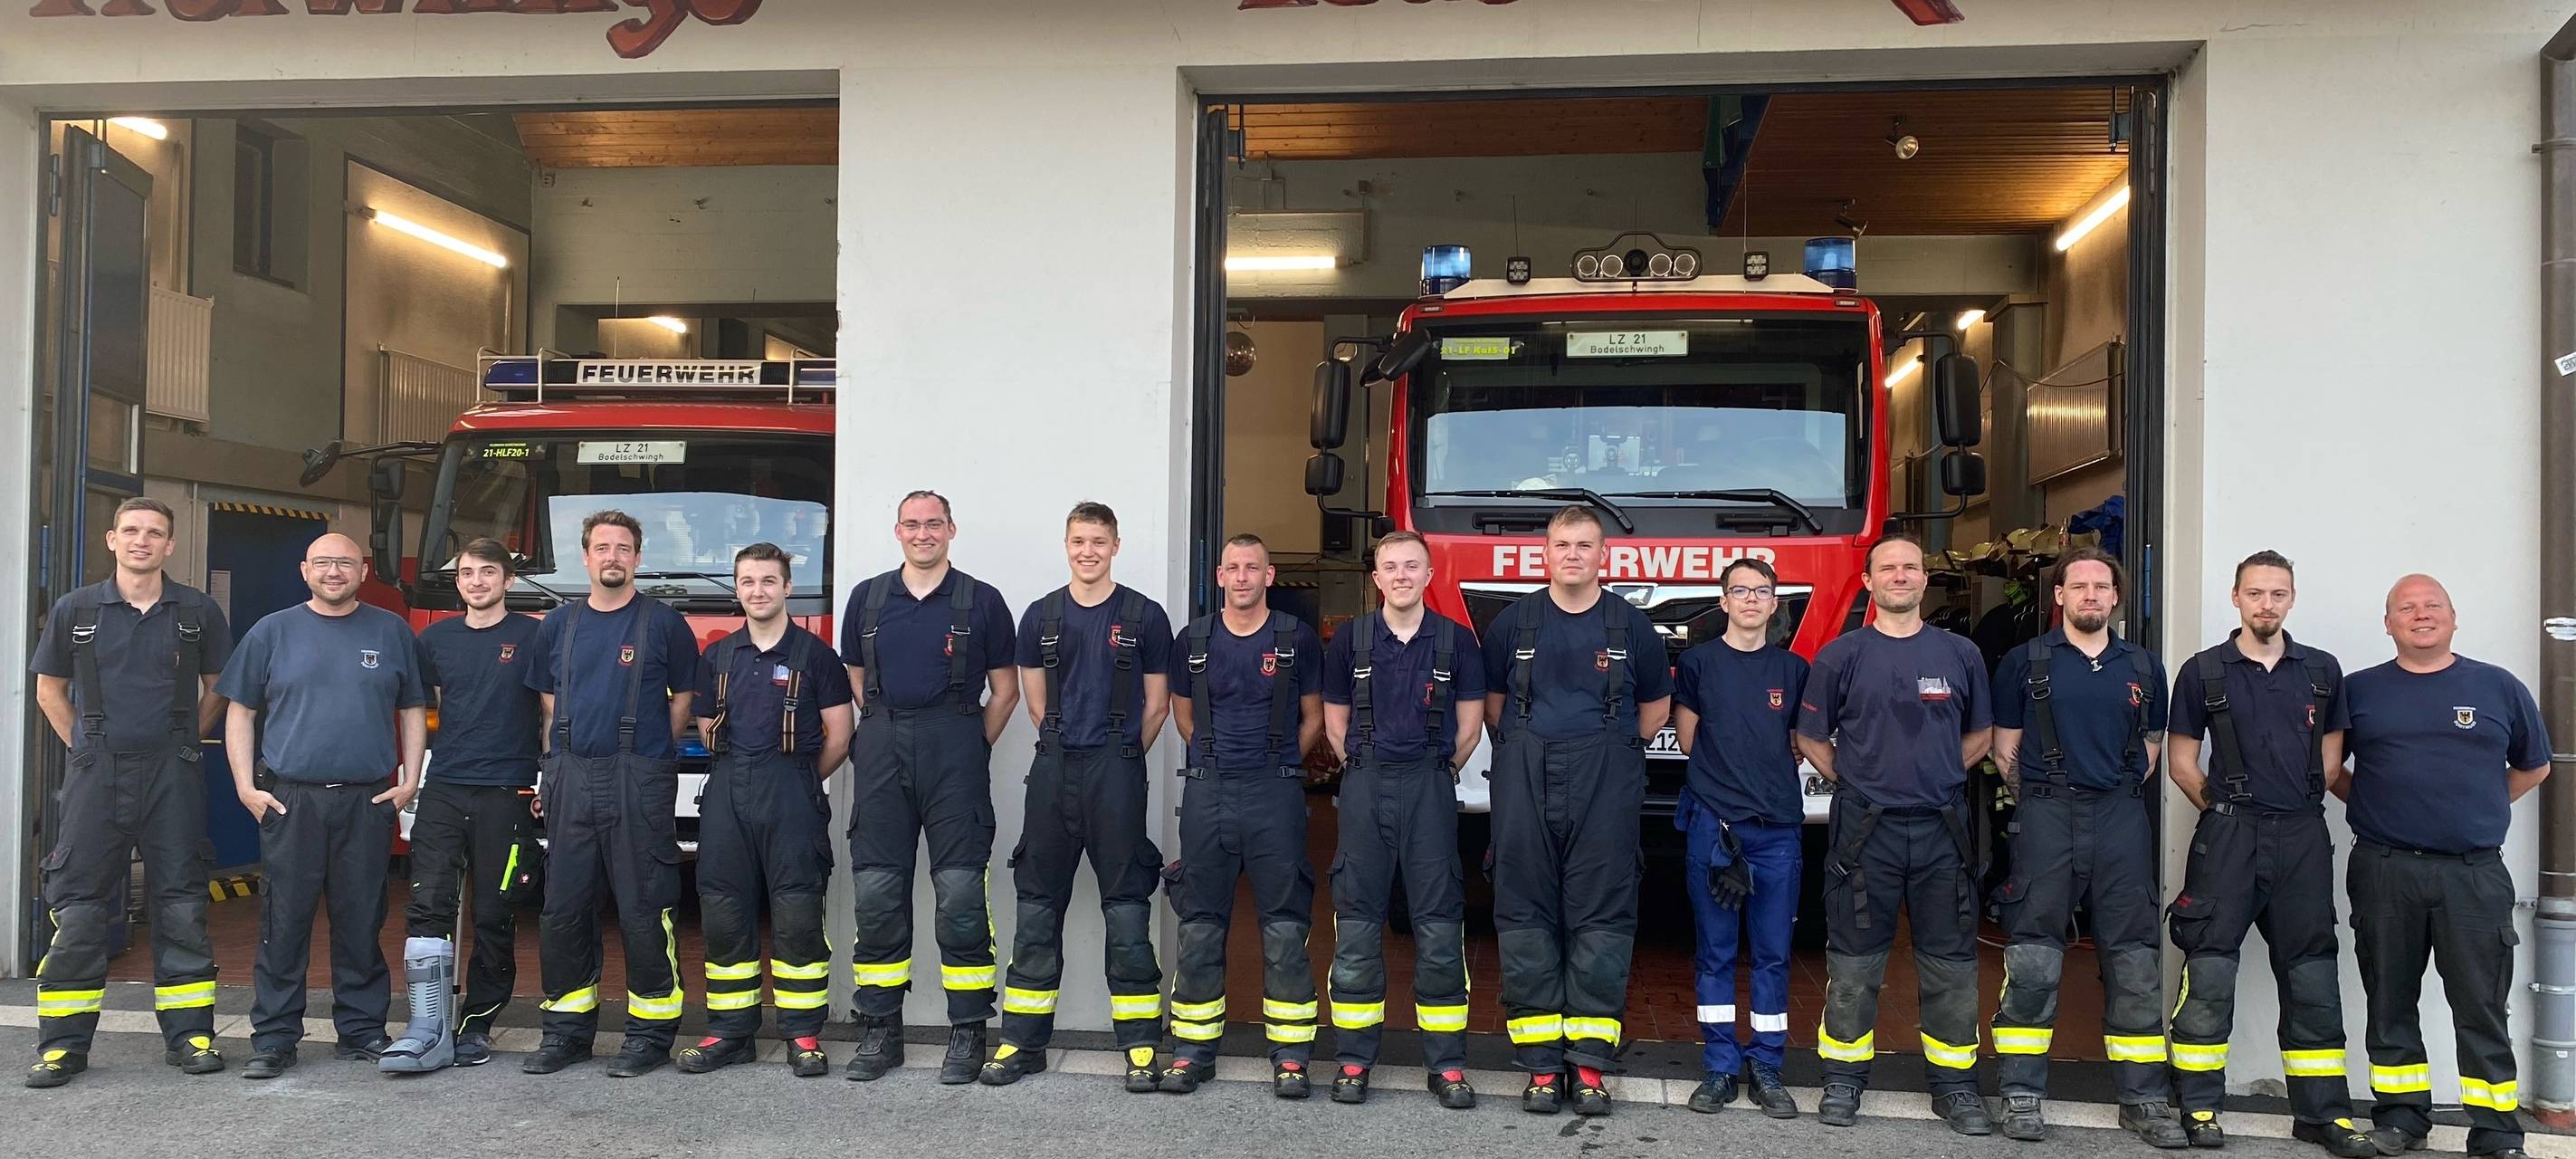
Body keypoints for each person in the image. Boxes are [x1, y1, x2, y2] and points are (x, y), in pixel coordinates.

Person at [2165, 550, 2382, 1156]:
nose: (2267, 604)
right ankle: (2199, 1106)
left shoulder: (2322, 671)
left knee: (2312, 974)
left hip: (2301, 836)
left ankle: (2323, 1115)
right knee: (2210, 971)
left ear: (2291, 599)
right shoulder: (2203, 671)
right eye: (2256, 593)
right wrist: (2227, 813)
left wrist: (2285, 810)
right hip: (2229, 835)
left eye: (2278, 593)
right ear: (2236, 597)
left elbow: (2331, 763)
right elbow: (2182, 763)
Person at [2337, 575, 2548, 1159]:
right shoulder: (2359, 690)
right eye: (2406, 608)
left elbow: (2534, 766)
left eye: (2432, 605)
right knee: (2389, 1001)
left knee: (2481, 1006)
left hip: (2473, 874)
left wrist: (2478, 809)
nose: (2421, 614)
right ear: (2388, 624)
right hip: (2385, 870)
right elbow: (2329, 768)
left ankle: (2496, 1131)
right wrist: (2376, 807)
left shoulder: (2498, 687)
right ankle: (2401, 1119)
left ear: (2454, 617)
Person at [24, 496, 232, 1088]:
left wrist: (185, 739)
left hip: (173, 774)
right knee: (80, 909)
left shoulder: (196, 611)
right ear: (112, 539)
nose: (143, 540)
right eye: (132, 530)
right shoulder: (76, 609)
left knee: (182, 906)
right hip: (97, 774)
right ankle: (62, 1047)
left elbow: (220, 686)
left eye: (155, 533)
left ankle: (191, 1037)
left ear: (170, 545)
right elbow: (49, 690)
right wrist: (86, 748)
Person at [1986, 549, 2186, 1146]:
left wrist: (2109, 793)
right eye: (2079, 586)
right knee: (2033, 956)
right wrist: (2043, 798)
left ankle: (2143, 1098)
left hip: (2121, 816)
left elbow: (2150, 747)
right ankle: (2021, 1093)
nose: (2091, 594)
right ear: (2060, 596)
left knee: (2134, 958)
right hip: (2047, 814)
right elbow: (2004, 746)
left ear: (2116, 596)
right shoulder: (2025, 662)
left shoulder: (2144, 666)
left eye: (2102, 586)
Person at [1795, 533, 1994, 1133]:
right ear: (1868, 581)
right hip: (1865, 831)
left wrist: (1937, 776)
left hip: (1941, 828)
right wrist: (1859, 782)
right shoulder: (1841, 655)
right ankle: (1843, 1079)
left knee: (1950, 962)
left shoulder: (1961, 653)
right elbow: (1810, 737)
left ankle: (1955, 1088)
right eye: (1888, 568)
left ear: (1924, 580)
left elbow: (1981, 736)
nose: (1901, 576)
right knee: (1855, 964)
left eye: (1911, 567)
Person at [1481, 504, 1673, 1117]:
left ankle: (1589, 1066)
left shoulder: (1632, 627)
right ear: (1545, 553)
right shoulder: (1512, 624)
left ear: (1602, 555)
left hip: (1605, 788)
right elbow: (1493, 708)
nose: (1572, 554)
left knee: (1602, 917)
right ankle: (1541, 1067)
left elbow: (1655, 711)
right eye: (1562, 544)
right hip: (1525, 784)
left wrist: (1607, 752)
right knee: (1526, 914)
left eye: (1584, 545)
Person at [219, 532, 428, 1080]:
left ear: (363, 571)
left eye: (344, 563)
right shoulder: (271, 631)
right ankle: (274, 1039)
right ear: (304, 570)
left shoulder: (391, 631)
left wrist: (410, 779)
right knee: (283, 922)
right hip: (291, 800)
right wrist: (244, 787)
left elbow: (413, 708)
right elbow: (240, 712)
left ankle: (361, 1031)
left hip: (366, 799)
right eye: (323, 563)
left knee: (361, 919)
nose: (333, 572)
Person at [982, 502, 1174, 1092]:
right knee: (1037, 906)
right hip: (1055, 768)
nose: (1088, 551)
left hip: (1117, 772)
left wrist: (1120, 757)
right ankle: (1021, 1043)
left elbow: (1158, 706)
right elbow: (1036, 707)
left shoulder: (1144, 616)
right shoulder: (1040, 616)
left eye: (1098, 541)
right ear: (1066, 545)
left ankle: (1140, 1045)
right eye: (1078, 541)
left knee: (1127, 908)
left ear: (1116, 545)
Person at [839, 490, 1020, 1084]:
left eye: (933, 524)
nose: (923, 533)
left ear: (951, 530)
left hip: (955, 748)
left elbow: (1007, 691)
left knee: (962, 894)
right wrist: (889, 729)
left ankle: (968, 1031)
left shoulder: (983, 600)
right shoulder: (867, 598)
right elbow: (856, 679)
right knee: (876, 893)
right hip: (882, 745)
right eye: (912, 524)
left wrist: (968, 744)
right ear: (898, 531)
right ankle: (879, 1030)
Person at [518, 510, 701, 1078]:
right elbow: (548, 704)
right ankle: (566, 1032)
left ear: (638, 559)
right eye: (602, 548)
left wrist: (646, 753)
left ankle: (649, 1036)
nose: (613, 557)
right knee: (563, 910)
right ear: (586, 556)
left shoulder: (664, 624)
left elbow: (682, 702)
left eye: (623, 548)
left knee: (645, 908)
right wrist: (553, 772)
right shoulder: (557, 625)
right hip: (570, 778)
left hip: (636, 781)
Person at [1320, 531, 1487, 1109]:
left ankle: (1447, 1065)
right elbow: (1335, 724)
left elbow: (1470, 728)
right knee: (1358, 923)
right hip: (1365, 784)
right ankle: (1353, 1061)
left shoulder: (1458, 642)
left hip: (1429, 785)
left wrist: (1436, 773)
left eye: (1411, 566)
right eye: (1390, 567)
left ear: (1429, 574)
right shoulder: (1350, 640)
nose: (1401, 576)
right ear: (1376, 577)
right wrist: (1364, 770)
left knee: (1439, 925)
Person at [678, 542, 853, 1078]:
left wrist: (798, 781)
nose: (758, 591)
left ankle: (803, 1034)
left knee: (798, 912)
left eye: (769, 581)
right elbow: (706, 725)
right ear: (737, 589)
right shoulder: (717, 656)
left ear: (787, 588)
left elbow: (840, 736)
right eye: (748, 581)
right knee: (723, 910)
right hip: (727, 790)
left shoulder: (816, 656)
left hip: (792, 790)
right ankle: (730, 1033)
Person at [1161, 532, 1324, 1097]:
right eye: (1233, 568)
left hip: (1274, 792)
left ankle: (1291, 1056)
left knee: (1284, 926)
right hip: (1208, 792)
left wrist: (1277, 764)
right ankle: (1192, 1051)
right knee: (1200, 924)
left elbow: (1313, 717)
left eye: (1253, 568)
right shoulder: (1193, 640)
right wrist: (1218, 760)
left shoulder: (1296, 638)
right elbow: (1183, 716)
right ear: (1220, 576)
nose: (1242, 577)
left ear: (1269, 576)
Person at [381, 537, 544, 1074]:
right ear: (458, 582)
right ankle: (427, 1025)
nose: (477, 581)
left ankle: (476, 1026)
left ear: (509, 580)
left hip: (509, 791)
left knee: (495, 914)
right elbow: (419, 710)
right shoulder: (435, 639)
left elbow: (550, 712)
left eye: (488, 572)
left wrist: (547, 778)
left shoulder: (534, 635)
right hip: (445, 789)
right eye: (468, 573)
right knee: (428, 907)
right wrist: (412, 778)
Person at [1670, 556, 1805, 1118]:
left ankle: (1766, 1065)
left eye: (1762, 591)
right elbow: (1687, 740)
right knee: (1716, 953)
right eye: (1740, 590)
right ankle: (1720, 1066)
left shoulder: (1794, 669)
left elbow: (1799, 740)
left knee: (1773, 954)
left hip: (1777, 832)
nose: (1751, 599)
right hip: (1715, 828)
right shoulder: (1697, 663)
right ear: (1723, 601)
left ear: (1775, 605)